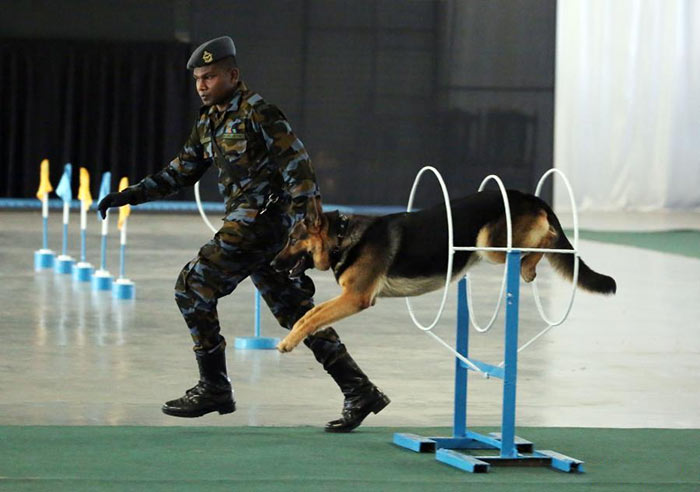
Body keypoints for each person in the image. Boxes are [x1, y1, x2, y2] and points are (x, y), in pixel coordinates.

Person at [98, 36, 389, 432]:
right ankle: (360, 390)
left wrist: (311, 227)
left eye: (211, 76)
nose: (202, 85)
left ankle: (214, 386)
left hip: (262, 226)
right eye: (198, 78)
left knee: (192, 286)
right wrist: (129, 195)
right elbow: (179, 173)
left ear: (233, 75)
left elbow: (298, 167)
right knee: (295, 311)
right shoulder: (209, 122)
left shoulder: (260, 113)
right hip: (252, 228)